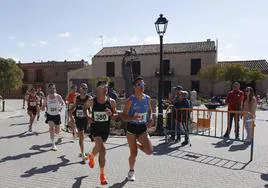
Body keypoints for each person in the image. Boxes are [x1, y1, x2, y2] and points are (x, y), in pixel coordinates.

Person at [84, 80, 118, 185]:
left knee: (98, 148)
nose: (105, 89)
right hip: (95, 128)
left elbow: (115, 115)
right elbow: (85, 108)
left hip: (105, 130)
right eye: (103, 87)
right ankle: (102, 175)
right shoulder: (92, 101)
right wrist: (88, 117)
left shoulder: (111, 101)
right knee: (102, 150)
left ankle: (91, 156)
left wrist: (111, 114)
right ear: (98, 89)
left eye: (106, 87)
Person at [122, 77, 153, 181]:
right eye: (140, 84)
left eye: (143, 84)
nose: (142, 86)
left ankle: (137, 145)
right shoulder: (130, 100)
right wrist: (132, 118)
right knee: (133, 153)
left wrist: (150, 118)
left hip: (142, 128)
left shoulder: (147, 98)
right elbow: (123, 116)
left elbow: (150, 110)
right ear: (134, 87)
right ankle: (131, 172)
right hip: (131, 129)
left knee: (149, 151)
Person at [70, 83, 91, 162]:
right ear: (80, 89)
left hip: (86, 119)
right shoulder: (77, 98)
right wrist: (70, 115)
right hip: (79, 119)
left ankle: (76, 133)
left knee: (86, 135)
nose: (85, 90)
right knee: (81, 137)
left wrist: (90, 116)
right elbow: (74, 107)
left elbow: (92, 108)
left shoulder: (89, 98)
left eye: (86, 88)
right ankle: (83, 154)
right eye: (83, 88)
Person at [43, 83, 65, 151]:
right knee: (51, 129)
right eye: (50, 88)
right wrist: (42, 108)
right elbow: (44, 105)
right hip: (49, 115)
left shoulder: (58, 96)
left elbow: (62, 103)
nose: (52, 89)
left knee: (57, 132)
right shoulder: (47, 97)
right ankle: (53, 144)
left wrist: (61, 107)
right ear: (48, 89)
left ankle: (57, 132)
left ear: (55, 89)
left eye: (53, 88)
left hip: (57, 115)